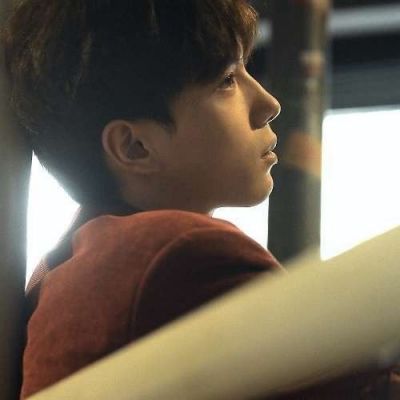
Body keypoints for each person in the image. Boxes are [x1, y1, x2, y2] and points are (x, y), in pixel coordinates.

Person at [1, 0, 395, 398]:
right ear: (135, 147)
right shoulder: (182, 255)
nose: (268, 104)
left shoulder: (64, 269)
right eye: (226, 80)